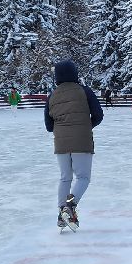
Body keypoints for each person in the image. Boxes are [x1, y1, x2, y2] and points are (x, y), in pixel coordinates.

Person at [44, 60, 103, 231]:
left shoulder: (52, 95)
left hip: (61, 142)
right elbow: (98, 115)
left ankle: (62, 215)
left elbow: (49, 126)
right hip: (82, 141)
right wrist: (85, 127)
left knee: (65, 178)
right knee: (83, 178)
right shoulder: (84, 91)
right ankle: (69, 208)